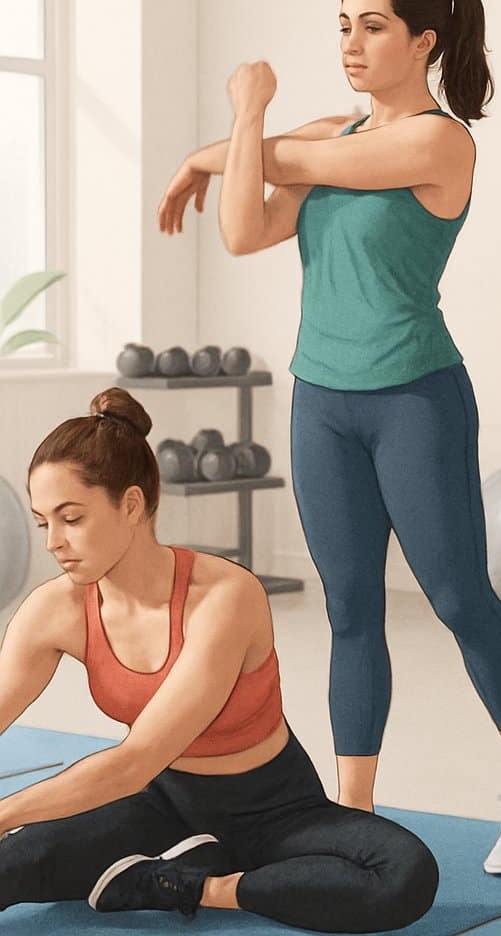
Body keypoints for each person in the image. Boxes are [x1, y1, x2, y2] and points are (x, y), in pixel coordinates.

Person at [157, 0, 501, 873]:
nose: (351, 41)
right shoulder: (327, 132)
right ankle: (352, 814)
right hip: (323, 403)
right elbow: (243, 231)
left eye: (374, 24)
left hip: (414, 400)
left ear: (424, 40)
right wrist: (236, 142)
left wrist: (234, 129)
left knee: (461, 598)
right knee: (350, 611)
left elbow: (292, 162)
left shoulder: (440, 142)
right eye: (343, 22)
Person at [0, 388, 438, 930]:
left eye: (72, 518)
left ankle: (189, 883)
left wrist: (5, 813)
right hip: (158, 803)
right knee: (15, 863)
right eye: (45, 523)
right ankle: (186, 857)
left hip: (277, 809)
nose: (53, 543)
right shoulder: (55, 609)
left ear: (131, 504)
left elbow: (135, 758)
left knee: (404, 874)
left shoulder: (225, 596)